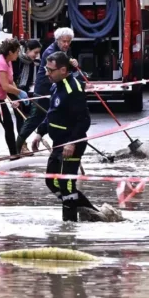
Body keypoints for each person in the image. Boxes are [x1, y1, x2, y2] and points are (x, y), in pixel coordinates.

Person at [30, 51, 98, 222]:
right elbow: (52, 114)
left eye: (50, 70)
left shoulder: (73, 89)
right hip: (58, 143)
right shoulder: (55, 86)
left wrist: (72, 143)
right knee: (51, 181)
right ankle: (91, 211)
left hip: (71, 145)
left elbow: (84, 121)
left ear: (62, 70)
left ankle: (69, 229)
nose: (47, 73)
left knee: (67, 186)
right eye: (46, 69)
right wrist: (40, 132)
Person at [17, 28, 77, 153]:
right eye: (63, 41)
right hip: (44, 89)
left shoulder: (66, 50)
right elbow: (61, 68)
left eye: (68, 41)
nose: (66, 44)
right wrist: (70, 64)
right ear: (57, 40)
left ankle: (55, 142)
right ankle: (18, 145)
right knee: (36, 118)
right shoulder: (51, 52)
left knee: (55, 115)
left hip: (56, 87)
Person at [12, 39, 43, 150]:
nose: (36, 55)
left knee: (25, 117)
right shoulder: (15, 60)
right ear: (28, 50)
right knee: (18, 118)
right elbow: (11, 79)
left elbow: (28, 82)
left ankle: (20, 145)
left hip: (22, 93)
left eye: (38, 53)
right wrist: (16, 95)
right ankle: (21, 146)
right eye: (35, 52)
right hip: (10, 91)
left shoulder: (31, 64)